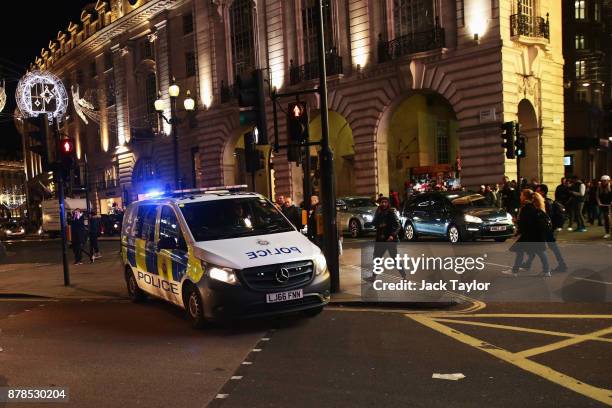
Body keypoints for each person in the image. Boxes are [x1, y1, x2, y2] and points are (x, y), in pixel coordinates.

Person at [523, 185, 567, 273]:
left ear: (543, 192)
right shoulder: (545, 201)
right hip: (548, 228)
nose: (536, 192)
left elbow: (548, 216)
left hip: (548, 229)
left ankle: (561, 265)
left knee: (545, 247)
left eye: (538, 190)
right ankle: (528, 263)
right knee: (538, 246)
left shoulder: (545, 202)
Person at [507, 189, 550, 277]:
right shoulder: (535, 205)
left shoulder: (527, 207)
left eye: (521, 195)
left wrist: (516, 222)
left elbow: (524, 222)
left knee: (524, 251)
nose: (520, 197)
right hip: (537, 233)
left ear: (525, 196)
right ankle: (531, 267)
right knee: (536, 252)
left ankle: (515, 271)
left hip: (531, 234)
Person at [366, 197, 401, 281]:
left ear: (388, 203)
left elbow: (398, 225)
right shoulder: (378, 212)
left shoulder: (391, 212)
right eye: (382, 202)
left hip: (389, 240)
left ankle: (404, 276)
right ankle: (374, 276)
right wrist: (369, 222)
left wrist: (392, 235)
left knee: (394, 258)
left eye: (385, 202)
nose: (384, 204)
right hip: (380, 239)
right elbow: (374, 222)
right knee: (377, 258)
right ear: (380, 203)